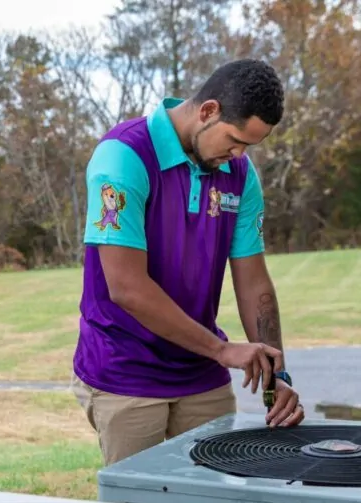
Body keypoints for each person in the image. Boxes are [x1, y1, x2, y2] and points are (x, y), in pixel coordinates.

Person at [70, 58, 305, 466]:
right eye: (234, 140)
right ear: (208, 111)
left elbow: (253, 282)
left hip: (200, 375)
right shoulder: (123, 157)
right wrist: (221, 349)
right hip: (125, 372)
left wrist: (276, 375)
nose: (238, 154)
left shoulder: (240, 173)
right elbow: (126, 287)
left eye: (249, 146)